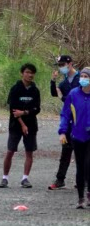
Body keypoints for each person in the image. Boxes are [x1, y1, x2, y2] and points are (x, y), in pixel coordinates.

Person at [0, 63, 40, 189]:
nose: (30, 75)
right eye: (27, 72)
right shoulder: (15, 89)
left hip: (31, 125)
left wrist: (25, 112)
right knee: (10, 151)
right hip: (15, 125)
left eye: (32, 73)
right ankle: (5, 178)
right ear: (22, 73)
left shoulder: (35, 90)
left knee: (29, 152)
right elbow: (13, 109)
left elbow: (37, 109)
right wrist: (22, 123)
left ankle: (25, 178)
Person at [58, 67, 90, 208]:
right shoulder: (73, 94)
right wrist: (63, 131)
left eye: (86, 76)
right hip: (77, 135)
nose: (83, 78)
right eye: (82, 76)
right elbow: (65, 114)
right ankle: (81, 198)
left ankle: (89, 192)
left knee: (88, 165)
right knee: (80, 167)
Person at [48, 55, 81, 190]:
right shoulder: (64, 83)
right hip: (68, 121)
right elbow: (56, 94)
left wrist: (64, 98)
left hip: (82, 120)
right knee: (66, 151)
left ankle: (82, 180)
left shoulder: (82, 79)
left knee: (82, 153)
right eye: (59, 65)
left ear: (70, 63)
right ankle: (60, 179)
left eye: (63, 64)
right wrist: (53, 81)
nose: (62, 67)